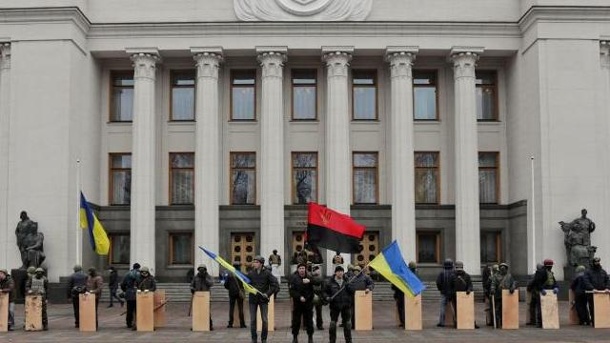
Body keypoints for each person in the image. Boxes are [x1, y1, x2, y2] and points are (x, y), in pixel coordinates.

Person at [247, 255, 279, 343]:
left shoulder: (267, 273)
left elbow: (275, 284)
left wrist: (268, 294)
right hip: (252, 300)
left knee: (264, 320)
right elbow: (246, 283)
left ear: (261, 264)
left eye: (256, 262)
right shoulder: (250, 273)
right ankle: (254, 339)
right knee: (253, 320)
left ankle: (264, 339)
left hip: (263, 300)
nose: (254, 263)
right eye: (254, 262)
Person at [289, 263, 316, 343]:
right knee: (296, 321)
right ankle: (295, 337)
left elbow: (318, 282)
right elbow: (292, 291)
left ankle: (310, 337)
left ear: (305, 269)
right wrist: (299, 297)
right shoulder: (294, 278)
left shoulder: (309, 277)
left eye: (303, 268)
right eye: (300, 268)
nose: (302, 270)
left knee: (309, 321)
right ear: (298, 270)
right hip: (298, 303)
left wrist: (310, 281)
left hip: (308, 303)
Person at [325, 265, 353, 343]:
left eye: (341, 271)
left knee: (347, 324)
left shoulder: (347, 281)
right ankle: (332, 341)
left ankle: (349, 341)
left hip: (346, 306)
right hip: (335, 306)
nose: (340, 273)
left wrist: (349, 286)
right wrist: (327, 297)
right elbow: (325, 292)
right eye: (338, 271)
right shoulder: (330, 282)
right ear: (335, 273)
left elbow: (352, 291)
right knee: (333, 324)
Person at [530, 258, 558, 328]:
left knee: (550, 307)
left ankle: (549, 320)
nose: (551, 267)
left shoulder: (550, 272)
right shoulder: (540, 272)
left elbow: (554, 281)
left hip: (550, 291)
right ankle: (540, 323)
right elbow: (537, 282)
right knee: (540, 307)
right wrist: (541, 289)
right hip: (542, 292)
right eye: (551, 266)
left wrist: (556, 287)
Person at [583, 256, 610, 326]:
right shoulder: (588, 272)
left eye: (598, 262)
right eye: (595, 262)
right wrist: (592, 288)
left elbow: (608, 280)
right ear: (593, 263)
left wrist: (607, 288)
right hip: (592, 293)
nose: (597, 263)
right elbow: (586, 281)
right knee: (593, 307)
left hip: (603, 293)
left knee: (603, 307)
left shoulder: (603, 271)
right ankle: (595, 321)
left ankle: (604, 321)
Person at [489, 263, 516, 328]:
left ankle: (506, 322)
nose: (503, 270)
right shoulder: (496, 276)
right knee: (497, 309)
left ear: (506, 269)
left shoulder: (509, 276)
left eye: (504, 269)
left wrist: (512, 287)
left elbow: (513, 283)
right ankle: (497, 323)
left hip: (507, 296)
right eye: (501, 269)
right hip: (498, 295)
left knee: (506, 309)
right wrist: (492, 289)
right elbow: (493, 284)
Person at [190, 264, 214, 330]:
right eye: (200, 269)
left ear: (205, 270)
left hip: (206, 295)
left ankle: (209, 325)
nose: (201, 271)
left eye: (202, 269)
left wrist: (205, 279)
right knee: (196, 311)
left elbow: (211, 284)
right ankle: (196, 325)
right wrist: (192, 289)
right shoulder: (196, 277)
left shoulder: (208, 276)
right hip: (197, 296)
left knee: (207, 311)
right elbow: (192, 284)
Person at [225, 262, 247, 328]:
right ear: (239, 267)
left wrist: (230, 288)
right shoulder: (242, 274)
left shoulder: (229, 274)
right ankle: (242, 324)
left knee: (231, 308)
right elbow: (245, 284)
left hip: (232, 293)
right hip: (240, 293)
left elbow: (226, 284)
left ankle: (230, 323)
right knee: (240, 308)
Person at [120, 262, 141, 329]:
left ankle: (129, 323)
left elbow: (122, 284)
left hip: (129, 293)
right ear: (138, 267)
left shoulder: (127, 274)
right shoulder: (139, 274)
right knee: (137, 309)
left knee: (129, 309)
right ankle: (138, 322)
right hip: (138, 293)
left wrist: (125, 290)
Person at [435, 258, 454, 327]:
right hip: (452, 293)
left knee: (442, 307)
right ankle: (455, 321)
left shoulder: (442, 273)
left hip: (444, 293)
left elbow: (438, 282)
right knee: (454, 307)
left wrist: (441, 289)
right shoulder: (454, 272)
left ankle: (442, 322)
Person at [311, 264, 326, 330]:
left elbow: (324, 289)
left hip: (319, 297)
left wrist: (322, 296)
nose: (318, 272)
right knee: (310, 311)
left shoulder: (321, 279)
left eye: (318, 270)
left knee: (319, 312)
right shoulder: (310, 278)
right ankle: (309, 324)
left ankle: (320, 325)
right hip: (311, 296)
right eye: (316, 270)